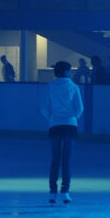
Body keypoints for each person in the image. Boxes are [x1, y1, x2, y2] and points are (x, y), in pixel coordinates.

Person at [40, 61, 84, 205]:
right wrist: (73, 117)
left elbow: (44, 108)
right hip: (70, 125)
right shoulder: (73, 87)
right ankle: (65, 192)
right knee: (67, 159)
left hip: (55, 125)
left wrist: (52, 118)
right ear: (66, 71)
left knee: (55, 159)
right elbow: (79, 108)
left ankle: (52, 192)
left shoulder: (50, 86)